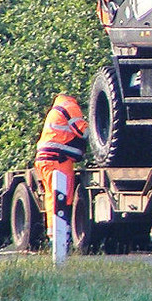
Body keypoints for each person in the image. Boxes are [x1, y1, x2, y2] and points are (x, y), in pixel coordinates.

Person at [34, 93, 89, 255]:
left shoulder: (56, 109)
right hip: (58, 160)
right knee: (62, 199)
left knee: (53, 198)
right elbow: (83, 132)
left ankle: (55, 238)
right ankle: (60, 240)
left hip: (46, 160)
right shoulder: (70, 107)